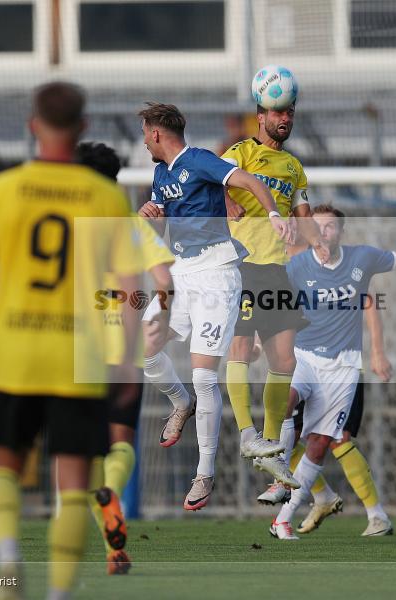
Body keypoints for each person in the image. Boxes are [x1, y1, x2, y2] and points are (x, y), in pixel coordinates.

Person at [0, 82, 141, 599]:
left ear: (33, 126)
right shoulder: (105, 196)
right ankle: (58, 594)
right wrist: (125, 360)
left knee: (4, 468)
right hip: (78, 358)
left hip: (15, 355)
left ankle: (9, 557)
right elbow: (131, 287)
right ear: (81, 127)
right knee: (75, 488)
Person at [269, 205, 396, 540]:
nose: (324, 232)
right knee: (281, 406)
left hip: (343, 367)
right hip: (304, 360)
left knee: (322, 442)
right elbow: (271, 303)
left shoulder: (360, 260)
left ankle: (284, 519)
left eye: (331, 227)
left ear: (341, 232)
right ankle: (283, 479)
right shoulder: (295, 265)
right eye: (317, 227)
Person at [136, 102, 291, 510]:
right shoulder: (160, 173)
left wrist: (272, 213)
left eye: (145, 134)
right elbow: (166, 218)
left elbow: (248, 181)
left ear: (155, 134)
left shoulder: (200, 160)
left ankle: (204, 473)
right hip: (182, 272)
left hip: (217, 273)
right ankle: (179, 401)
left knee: (205, 376)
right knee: (143, 348)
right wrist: (150, 213)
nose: (144, 143)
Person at [75, 141, 174, 574]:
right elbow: (164, 280)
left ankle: (100, 547)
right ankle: (112, 500)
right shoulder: (131, 230)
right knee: (120, 443)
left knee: (79, 453)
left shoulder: (69, 227)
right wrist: (163, 320)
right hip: (124, 352)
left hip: (78, 353)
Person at [221, 101, 328, 486]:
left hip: (278, 271)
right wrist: (229, 200)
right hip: (243, 265)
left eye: (290, 113)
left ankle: (269, 447)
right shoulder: (241, 153)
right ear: (260, 117)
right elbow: (210, 185)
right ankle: (248, 436)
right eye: (277, 113)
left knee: (283, 361)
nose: (284, 119)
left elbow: (303, 215)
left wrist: (318, 242)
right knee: (239, 351)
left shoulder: (295, 168)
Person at [257, 291, 396, 537]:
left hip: (339, 368)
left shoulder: (337, 268)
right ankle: (322, 496)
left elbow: (368, 301)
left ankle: (377, 516)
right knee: (287, 428)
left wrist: (377, 350)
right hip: (301, 366)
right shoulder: (284, 269)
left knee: (338, 439)